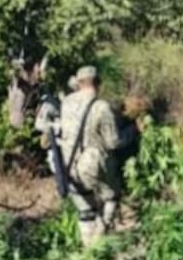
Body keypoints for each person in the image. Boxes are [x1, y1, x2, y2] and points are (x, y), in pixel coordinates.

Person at [55, 66, 135, 246]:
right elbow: (114, 142)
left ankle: (88, 254)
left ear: (79, 83)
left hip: (67, 167)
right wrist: (132, 131)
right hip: (92, 166)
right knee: (112, 197)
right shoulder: (101, 107)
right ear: (98, 83)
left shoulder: (66, 102)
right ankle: (100, 240)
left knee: (86, 210)